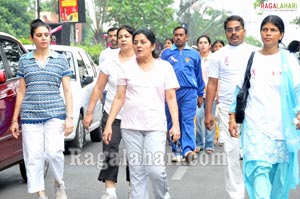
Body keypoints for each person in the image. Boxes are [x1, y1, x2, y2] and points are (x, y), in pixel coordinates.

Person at [102, 28, 180, 199]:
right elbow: (119, 97)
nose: (138, 45)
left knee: (156, 170)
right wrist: (108, 125)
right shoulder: (126, 68)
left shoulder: (164, 68)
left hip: (155, 126)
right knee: (137, 174)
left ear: (152, 46)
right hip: (130, 127)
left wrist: (175, 125)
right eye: (136, 42)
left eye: (143, 42)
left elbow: (171, 98)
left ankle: (162, 196)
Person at [229, 15, 300, 199]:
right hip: (255, 127)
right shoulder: (251, 58)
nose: (268, 33)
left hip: (282, 128)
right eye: (265, 29)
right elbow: (239, 89)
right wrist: (231, 117)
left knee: (279, 181)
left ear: (281, 34)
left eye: (273, 30)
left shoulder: (289, 61)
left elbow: (298, 89)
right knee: (259, 170)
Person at [10, 19, 73, 199]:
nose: (43, 38)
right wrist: (15, 119)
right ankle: (41, 193)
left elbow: (68, 90)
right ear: (32, 38)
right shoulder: (24, 60)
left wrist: (69, 117)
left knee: (54, 153)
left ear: (50, 37)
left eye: (46, 35)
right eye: (39, 35)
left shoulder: (60, 60)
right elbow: (21, 91)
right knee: (33, 156)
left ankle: (59, 183)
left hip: (55, 113)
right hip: (30, 115)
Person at [205, 15, 257, 199]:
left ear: (244, 30)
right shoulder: (217, 56)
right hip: (228, 112)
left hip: (254, 110)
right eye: (229, 29)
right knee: (231, 154)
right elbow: (212, 84)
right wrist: (208, 114)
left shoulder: (256, 52)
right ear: (225, 32)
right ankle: (236, 195)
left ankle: (257, 192)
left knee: (254, 154)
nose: (233, 33)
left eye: (237, 29)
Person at [83, 25, 135, 199]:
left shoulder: (141, 58)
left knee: (134, 152)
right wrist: (89, 112)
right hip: (112, 113)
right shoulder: (110, 60)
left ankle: (133, 188)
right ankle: (110, 191)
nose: (123, 39)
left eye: (127, 36)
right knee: (110, 149)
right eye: (120, 36)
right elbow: (98, 87)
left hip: (136, 114)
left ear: (133, 38)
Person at [161, 26, 205, 163]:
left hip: (189, 92)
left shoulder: (193, 54)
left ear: (186, 37)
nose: (178, 37)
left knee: (187, 121)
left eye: (181, 35)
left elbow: (198, 75)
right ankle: (176, 150)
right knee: (173, 121)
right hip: (171, 92)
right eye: (176, 35)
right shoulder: (166, 54)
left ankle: (187, 150)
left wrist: (200, 94)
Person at [194, 35, 216, 154]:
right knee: (198, 117)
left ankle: (209, 144)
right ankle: (199, 143)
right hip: (198, 94)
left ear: (209, 45)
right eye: (200, 42)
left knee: (210, 117)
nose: (203, 45)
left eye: (205, 42)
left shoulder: (214, 58)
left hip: (211, 94)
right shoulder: (195, 58)